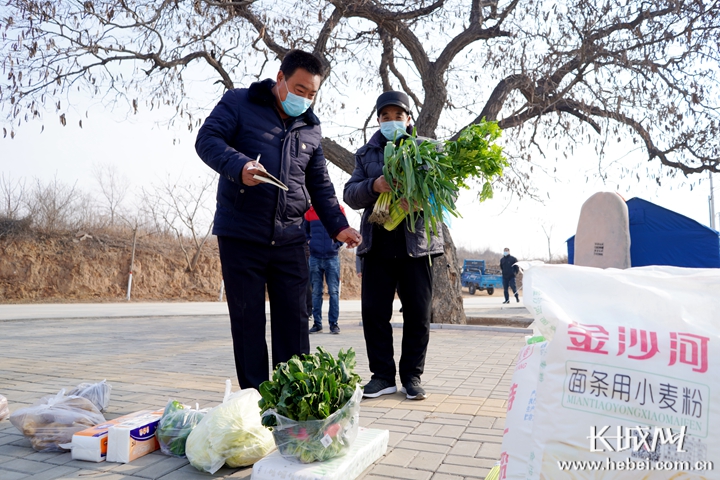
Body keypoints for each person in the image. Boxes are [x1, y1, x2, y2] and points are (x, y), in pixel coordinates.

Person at [195, 49, 362, 390]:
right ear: (280, 77)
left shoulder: (311, 129)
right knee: (248, 322)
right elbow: (207, 140)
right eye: (299, 90)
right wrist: (239, 166)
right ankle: (256, 403)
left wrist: (338, 225)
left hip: (290, 238)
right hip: (242, 233)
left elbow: (320, 185)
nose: (305, 99)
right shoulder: (239, 103)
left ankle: (292, 401)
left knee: (294, 323)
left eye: (312, 94)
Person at [344, 91, 444, 401]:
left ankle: (412, 376)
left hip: (418, 245)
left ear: (409, 119)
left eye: (397, 116)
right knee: (374, 313)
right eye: (385, 117)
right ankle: (382, 376)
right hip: (377, 243)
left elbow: (443, 192)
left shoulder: (428, 149)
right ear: (378, 120)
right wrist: (375, 186)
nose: (391, 122)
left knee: (417, 313)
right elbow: (350, 194)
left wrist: (420, 199)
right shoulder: (366, 154)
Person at [305, 205, 345, 334]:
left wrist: (337, 245)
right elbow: (304, 231)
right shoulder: (309, 212)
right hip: (315, 257)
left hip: (332, 258)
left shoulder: (338, 209)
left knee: (333, 292)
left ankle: (334, 324)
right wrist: (309, 242)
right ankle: (317, 324)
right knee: (316, 292)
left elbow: (344, 229)